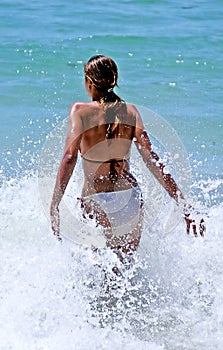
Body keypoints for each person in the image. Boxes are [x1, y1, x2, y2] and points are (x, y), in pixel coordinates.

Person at [50, 55, 205, 254]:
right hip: (130, 199)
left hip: (95, 199)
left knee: (100, 270)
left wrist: (55, 204)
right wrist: (183, 204)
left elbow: (69, 158)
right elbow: (152, 160)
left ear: (89, 82)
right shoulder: (130, 112)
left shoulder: (79, 111)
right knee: (126, 269)